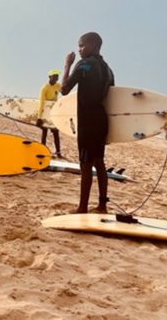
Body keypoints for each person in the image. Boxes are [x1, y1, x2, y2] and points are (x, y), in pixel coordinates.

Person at [61, 32, 115, 214]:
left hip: (87, 122)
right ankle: (102, 206)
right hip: (101, 120)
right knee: (99, 162)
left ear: (93, 44)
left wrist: (67, 65)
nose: (79, 49)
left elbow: (64, 89)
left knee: (85, 165)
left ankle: (82, 207)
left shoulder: (84, 64)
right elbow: (111, 97)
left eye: (82, 45)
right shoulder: (108, 70)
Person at [37, 70, 63, 158]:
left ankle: (58, 152)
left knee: (56, 132)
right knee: (44, 132)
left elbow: (63, 92)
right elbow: (41, 103)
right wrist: (39, 117)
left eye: (57, 76)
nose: (56, 78)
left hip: (54, 111)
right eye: (54, 76)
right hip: (45, 111)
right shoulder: (44, 88)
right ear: (49, 77)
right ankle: (42, 150)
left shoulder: (58, 85)